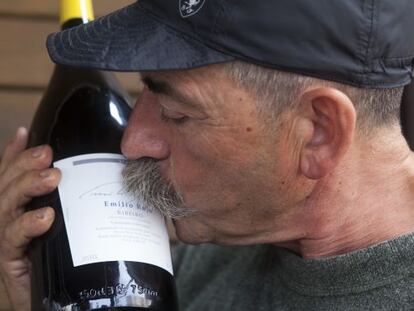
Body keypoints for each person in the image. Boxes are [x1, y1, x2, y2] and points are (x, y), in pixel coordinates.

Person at [1, 0, 414, 310]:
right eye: (145, 88)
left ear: (318, 133)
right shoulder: (204, 261)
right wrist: (39, 294)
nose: (133, 141)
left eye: (176, 112)